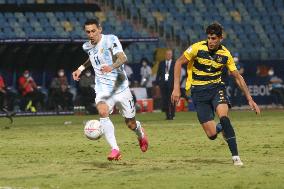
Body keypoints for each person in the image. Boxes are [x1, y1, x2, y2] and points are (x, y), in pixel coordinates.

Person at [171, 22, 260, 166]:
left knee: (224, 117)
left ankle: (236, 157)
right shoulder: (196, 48)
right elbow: (178, 62)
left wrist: (250, 99)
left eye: (214, 38)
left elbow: (237, 77)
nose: (211, 41)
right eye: (209, 38)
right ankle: (220, 128)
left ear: (220, 38)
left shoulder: (225, 54)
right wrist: (176, 88)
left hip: (217, 89)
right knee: (212, 135)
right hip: (198, 92)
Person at [72, 19, 148, 161]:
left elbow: (122, 57)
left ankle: (141, 134)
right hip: (102, 88)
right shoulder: (87, 46)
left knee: (130, 124)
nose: (91, 34)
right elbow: (92, 58)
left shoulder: (110, 39)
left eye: (93, 31)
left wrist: (111, 67)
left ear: (99, 29)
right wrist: (80, 69)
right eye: (88, 32)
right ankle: (115, 149)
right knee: (102, 111)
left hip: (120, 87)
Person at [156, 49, 175, 120]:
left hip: (172, 85)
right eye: (167, 54)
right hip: (163, 85)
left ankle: (172, 114)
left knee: (172, 100)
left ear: (172, 55)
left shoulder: (175, 63)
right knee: (165, 100)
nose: (168, 55)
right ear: (165, 55)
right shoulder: (161, 63)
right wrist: (157, 83)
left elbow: (176, 75)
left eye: (170, 54)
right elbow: (158, 74)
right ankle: (167, 115)